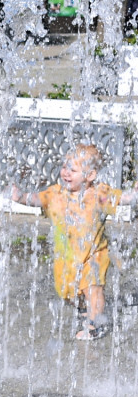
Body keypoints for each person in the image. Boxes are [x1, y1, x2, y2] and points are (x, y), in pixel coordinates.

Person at [8, 144, 138, 340]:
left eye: (73, 169)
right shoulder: (55, 195)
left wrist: (135, 194)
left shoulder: (98, 195)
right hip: (67, 256)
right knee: (66, 291)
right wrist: (20, 197)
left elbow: (123, 199)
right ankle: (86, 308)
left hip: (95, 253)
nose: (66, 173)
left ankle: (96, 324)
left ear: (90, 175)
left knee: (93, 287)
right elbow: (35, 199)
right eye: (64, 167)